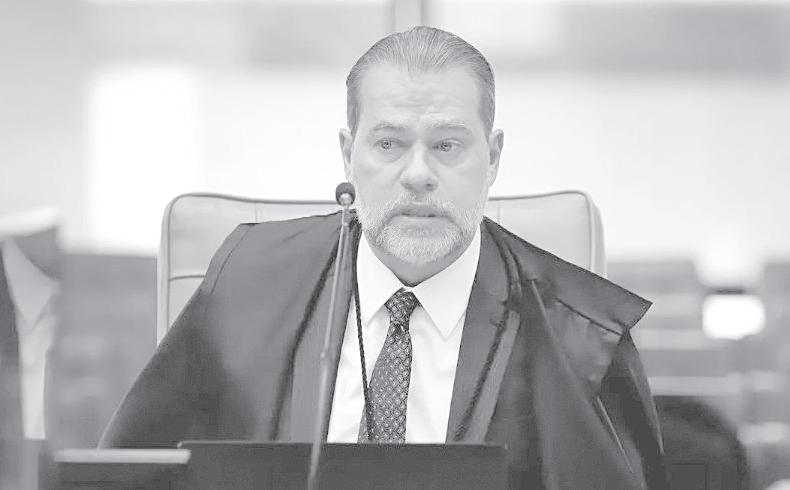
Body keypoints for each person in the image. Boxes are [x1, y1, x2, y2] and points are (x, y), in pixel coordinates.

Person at [100, 26, 668, 489]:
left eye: (447, 145)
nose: (418, 174)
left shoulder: (579, 335)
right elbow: (132, 474)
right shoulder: (246, 284)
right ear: (349, 155)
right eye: (389, 144)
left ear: (493, 158)